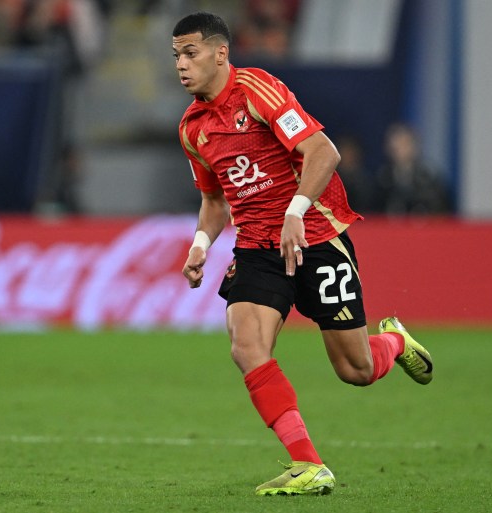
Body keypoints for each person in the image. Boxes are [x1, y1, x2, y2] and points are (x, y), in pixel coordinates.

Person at [173, 12, 433, 496]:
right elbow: (213, 199)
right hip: (256, 247)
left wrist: (295, 210)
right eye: (176, 56)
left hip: (314, 236)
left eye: (190, 53)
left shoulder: (260, 90)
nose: (182, 65)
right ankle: (308, 464)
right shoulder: (192, 128)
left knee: (355, 369)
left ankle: (393, 342)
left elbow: (323, 152)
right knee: (246, 345)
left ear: (220, 53)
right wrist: (201, 245)